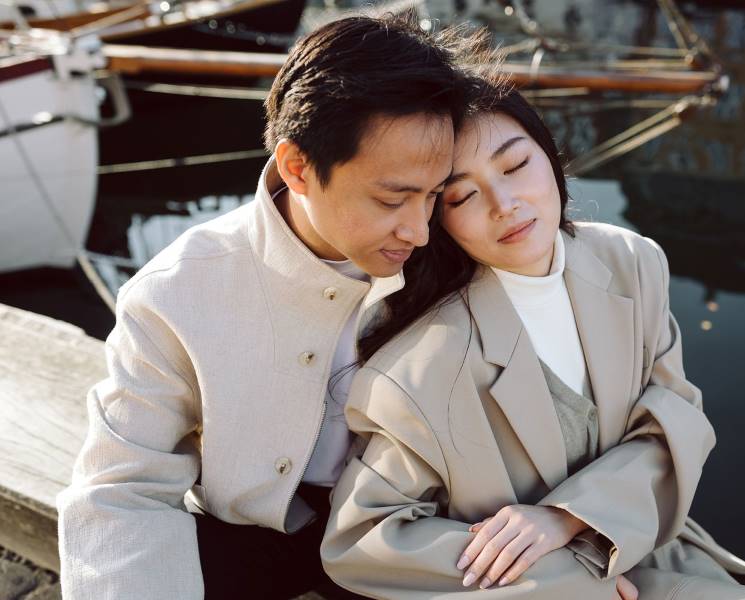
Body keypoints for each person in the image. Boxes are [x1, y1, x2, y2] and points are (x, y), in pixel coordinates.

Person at [56, 14, 477, 600]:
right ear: (297, 167)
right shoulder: (175, 292)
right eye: (392, 198)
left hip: (409, 529)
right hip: (247, 531)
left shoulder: (460, 256)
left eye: (433, 196)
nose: (420, 230)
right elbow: (122, 486)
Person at [320, 81, 745, 599]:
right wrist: (564, 585)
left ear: (549, 152)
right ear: (439, 218)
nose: (505, 203)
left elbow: (674, 414)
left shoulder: (631, 262)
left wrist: (567, 516)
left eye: (516, 165)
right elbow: (363, 541)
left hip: (648, 542)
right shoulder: (420, 366)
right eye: (463, 194)